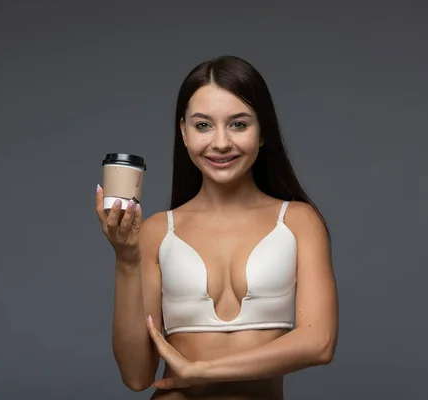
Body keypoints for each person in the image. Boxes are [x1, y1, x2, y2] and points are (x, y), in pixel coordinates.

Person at [95, 55, 339, 400]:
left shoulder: (298, 222)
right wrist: (125, 259)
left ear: (263, 131)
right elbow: (136, 376)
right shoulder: (156, 232)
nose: (221, 143)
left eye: (239, 124)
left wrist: (200, 371)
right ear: (183, 131)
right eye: (203, 125)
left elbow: (320, 343)